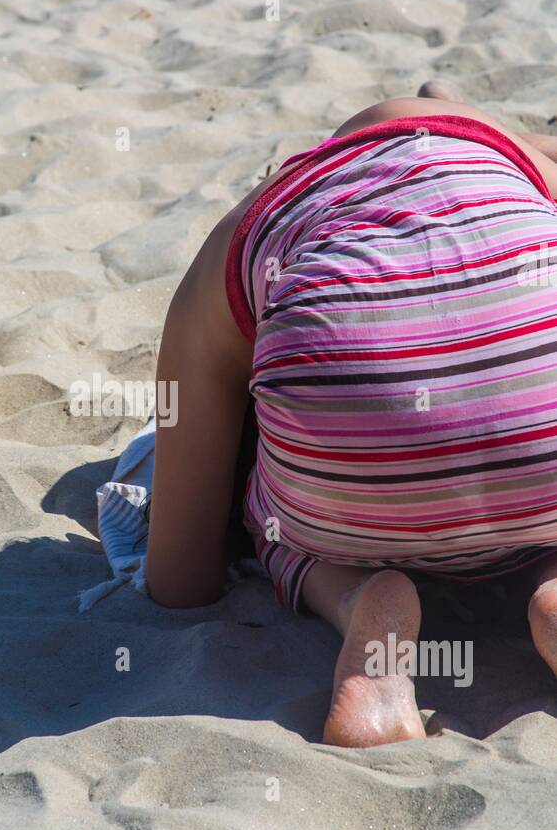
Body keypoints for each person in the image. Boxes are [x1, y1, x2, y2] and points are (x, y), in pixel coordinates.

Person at [146, 81, 557, 748]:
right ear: (451, 110)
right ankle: (549, 591)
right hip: (540, 398)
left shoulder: (249, 227)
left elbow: (179, 579)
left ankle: (357, 600)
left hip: (343, 408)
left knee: (272, 524)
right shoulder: (505, 159)